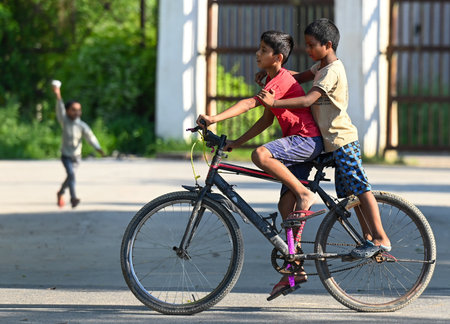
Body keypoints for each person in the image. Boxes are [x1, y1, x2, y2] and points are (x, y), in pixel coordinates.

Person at [196, 30, 324, 299]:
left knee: (261, 156)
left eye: (263, 50)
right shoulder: (271, 79)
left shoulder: (281, 79)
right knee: (285, 207)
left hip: (305, 140)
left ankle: (304, 193)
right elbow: (267, 119)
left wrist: (214, 118)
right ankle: (295, 267)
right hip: (300, 143)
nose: (257, 53)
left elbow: (248, 104)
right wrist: (236, 142)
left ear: (277, 58)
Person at [256, 19, 391, 262]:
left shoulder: (332, 71)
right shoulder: (320, 67)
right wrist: (271, 75)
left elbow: (308, 100)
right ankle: (368, 239)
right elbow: (297, 77)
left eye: (311, 45)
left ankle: (381, 238)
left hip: (342, 140)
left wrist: (275, 103)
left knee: (361, 189)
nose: (307, 50)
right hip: (331, 143)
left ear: (327, 45)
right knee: (351, 195)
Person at [52, 81, 105, 208]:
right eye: (73, 110)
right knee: (71, 175)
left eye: (78, 110)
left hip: (77, 157)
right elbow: (60, 108)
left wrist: (98, 148)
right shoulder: (64, 121)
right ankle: (73, 198)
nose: (76, 112)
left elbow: (90, 137)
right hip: (66, 155)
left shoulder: (82, 125)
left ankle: (60, 192)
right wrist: (58, 94)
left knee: (70, 177)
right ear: (68, 111)